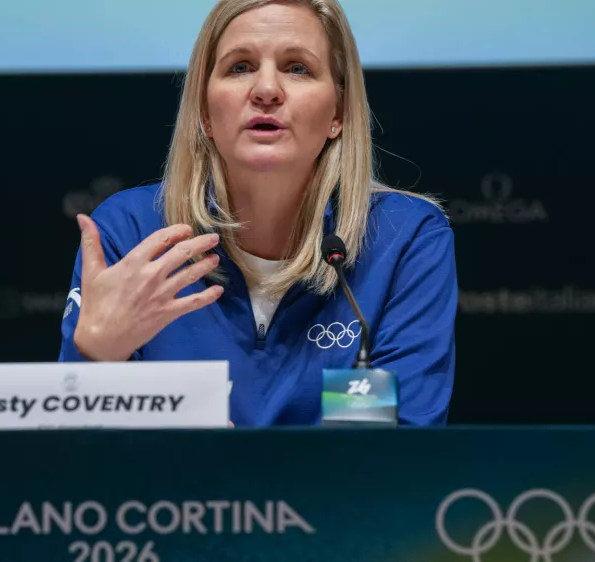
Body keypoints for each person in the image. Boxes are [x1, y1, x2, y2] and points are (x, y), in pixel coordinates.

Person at [58, 0, 457, 427]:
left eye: (298, 68)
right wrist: (98, 358)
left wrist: (238, 468)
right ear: (205, 113)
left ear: (338, 113)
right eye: (240, 67)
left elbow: (398, 448)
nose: (266, 90)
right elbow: (86, 467)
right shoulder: (131, 231)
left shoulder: (403, 238)